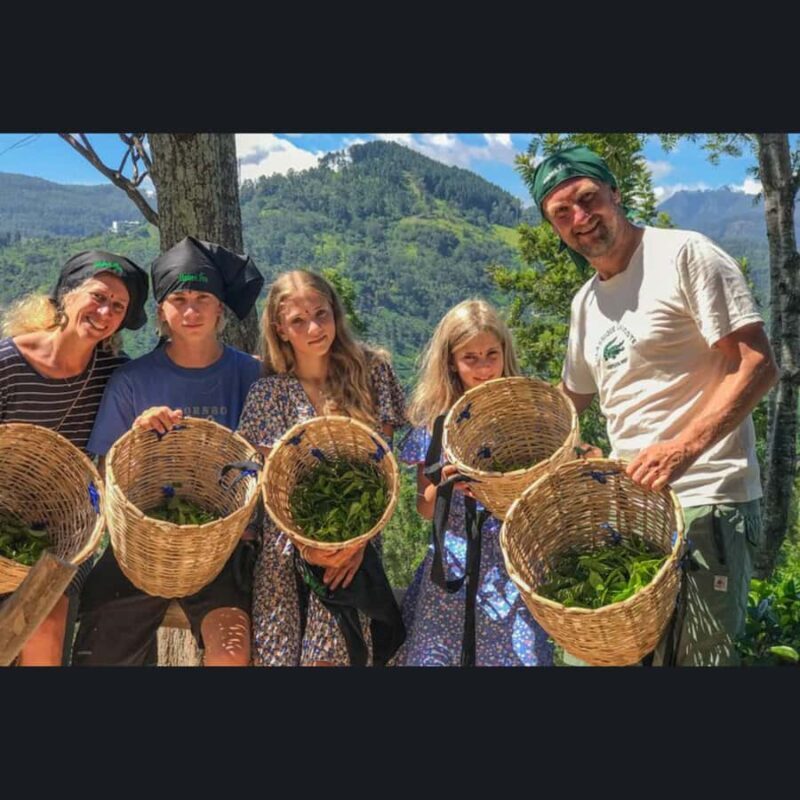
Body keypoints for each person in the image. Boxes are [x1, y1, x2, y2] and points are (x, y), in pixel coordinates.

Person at [530, 145, 779, 666]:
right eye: (562, 213)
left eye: (588, 199)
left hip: (708, 497)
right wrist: (538, 455)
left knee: (699, 661)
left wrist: (683, 448)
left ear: (614, 194)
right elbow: (570, 403)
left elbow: (757, 364)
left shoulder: (684, 255)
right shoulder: (585, 305)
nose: (580, 219)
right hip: (635, 509)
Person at [71, 236, 264, 667]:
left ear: (220, 310)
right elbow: (103, 475)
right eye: (179, 299)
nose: (191, 311)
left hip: (221, 551)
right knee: (99, 649)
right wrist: (136, 438)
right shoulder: (133, 381)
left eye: (202, 298)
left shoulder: (252, 375)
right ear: (162, 312)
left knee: (231, 652)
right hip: (140, 549)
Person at [236, 269, 406, 666]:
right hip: (286, 543)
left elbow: (384, 472)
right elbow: (270, 483)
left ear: (335, 313)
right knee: (276, 655)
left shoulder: (372, 373)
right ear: (280, 329)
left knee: (332, 654)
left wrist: (353, 545)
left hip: (355, 542)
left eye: (321, 314)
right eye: (298, 320)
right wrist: (307, 543)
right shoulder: (268, 393)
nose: (314, 328)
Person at [0, 250, 149, 666]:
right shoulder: (8, 365)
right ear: (66, 294)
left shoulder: (116, 375)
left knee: (46, 611)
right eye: (97, 296)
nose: (105, 312)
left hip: (66, 537)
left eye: (118, 307)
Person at [395, 299, 554, 666]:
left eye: (491, 355)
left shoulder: (524, 416)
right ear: (451, 361)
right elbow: (424, 506)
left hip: (513, 565)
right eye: (471, 358)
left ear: (504, 352)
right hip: (452, 567)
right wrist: (446, 486)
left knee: (523, 657)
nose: (484, 368)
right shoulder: (435, 424)